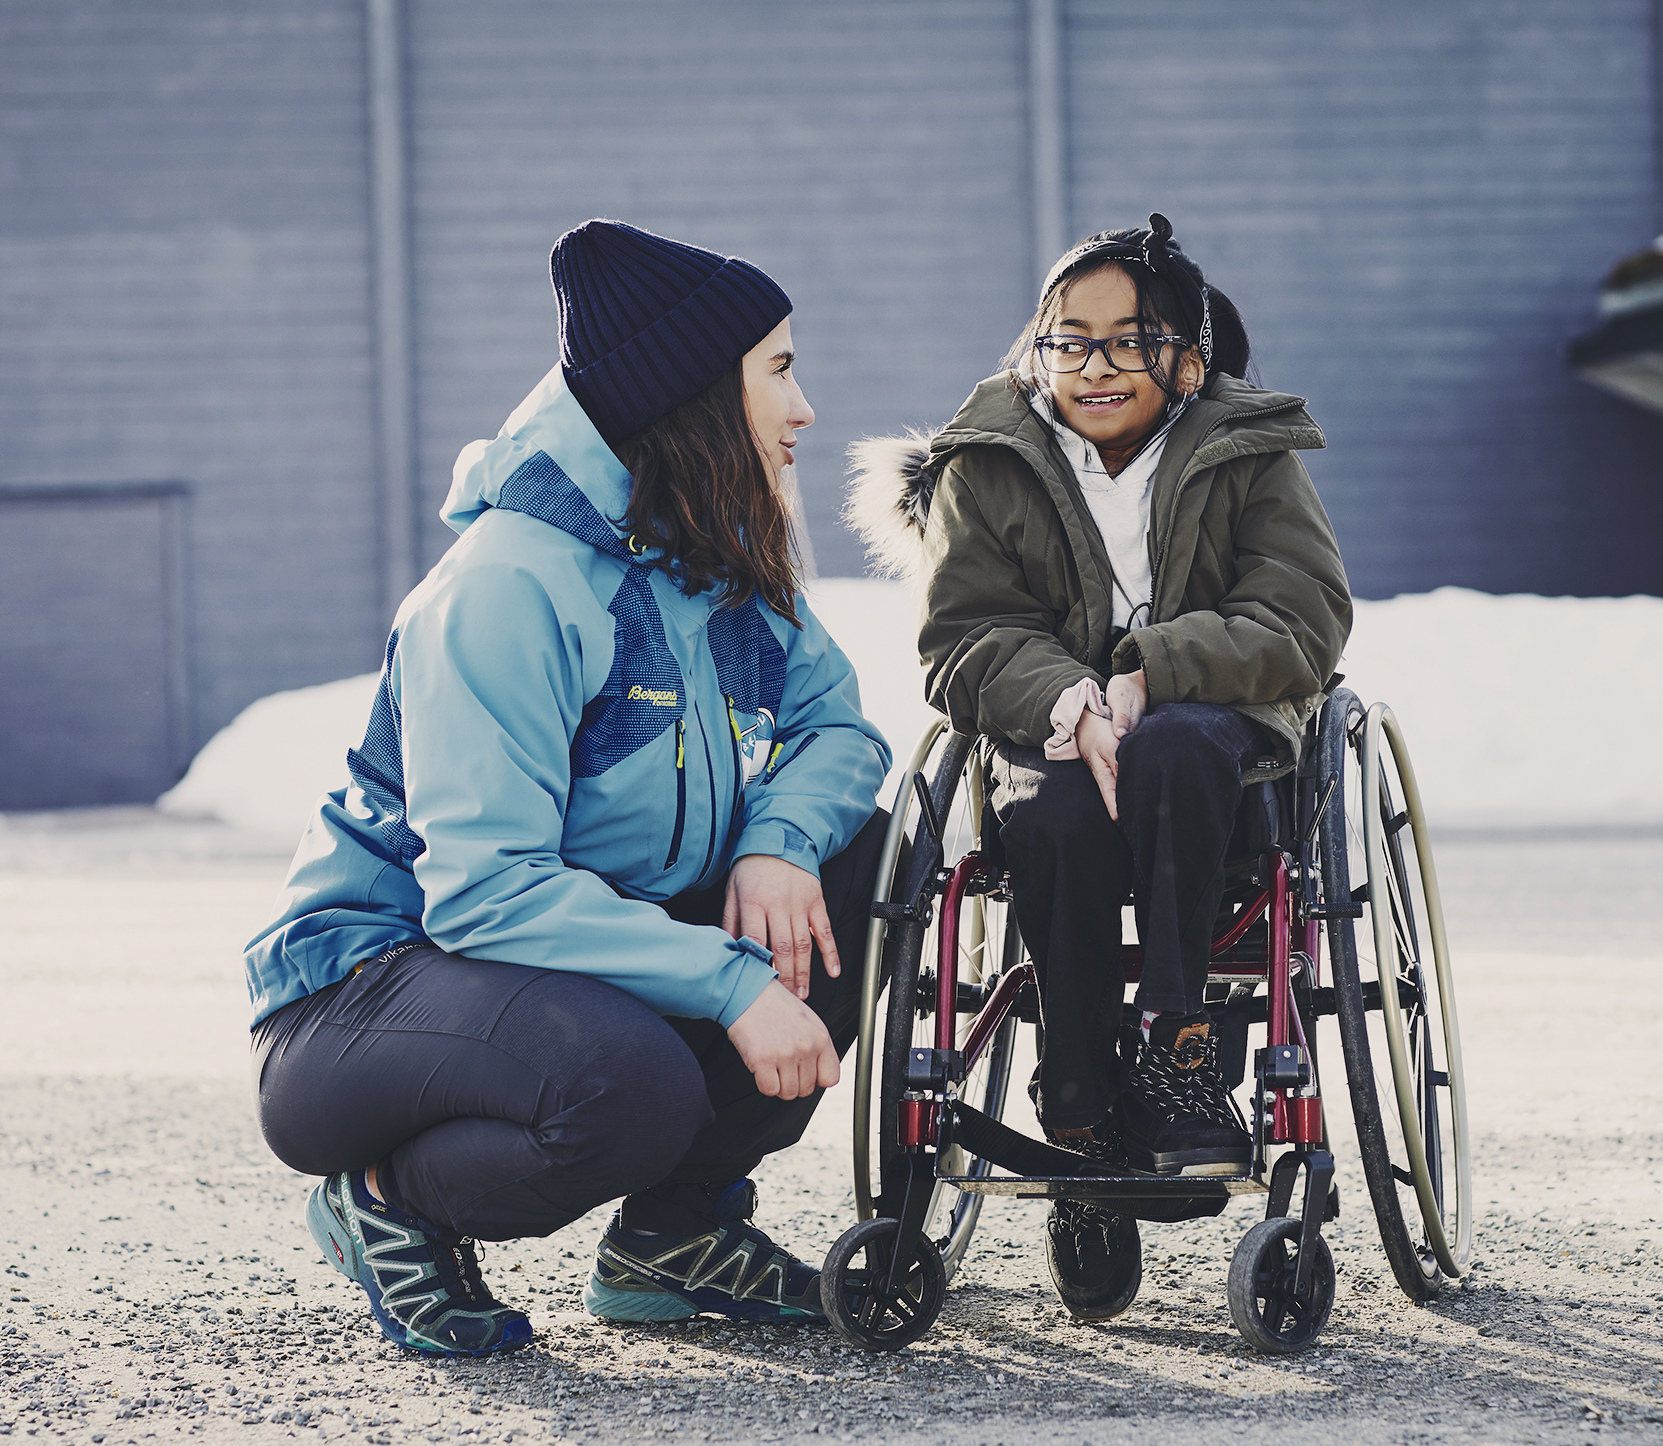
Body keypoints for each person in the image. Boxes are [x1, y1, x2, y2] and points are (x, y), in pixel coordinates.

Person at [244, 220, 892, 1357]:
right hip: (372, 991)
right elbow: (486, 892)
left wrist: (778, 845)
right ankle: (387, 1202)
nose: (802, 411)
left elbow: (835, 726)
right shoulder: (508, 586)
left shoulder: (718, 555)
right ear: (692, 391)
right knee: (629, 1089)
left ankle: (672, 1236)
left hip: (565, 956)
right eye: (778, 372)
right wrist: (732, 986)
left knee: (863, 861)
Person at [846, 214, 1349, 1323]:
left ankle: (1177, 1053)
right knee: (1059, 815)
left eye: (1129, 340)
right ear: (1038, 348)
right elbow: (963, 636)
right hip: (1056, 740)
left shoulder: (1247, 450)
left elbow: (1301, 617)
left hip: (1215, 753)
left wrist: (1149, 672)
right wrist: (1068, 699)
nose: (1096, 366)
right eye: (1069, 340)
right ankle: (1074, 1103)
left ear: (1188, 355)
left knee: (1171, 744)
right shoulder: (988, 463)